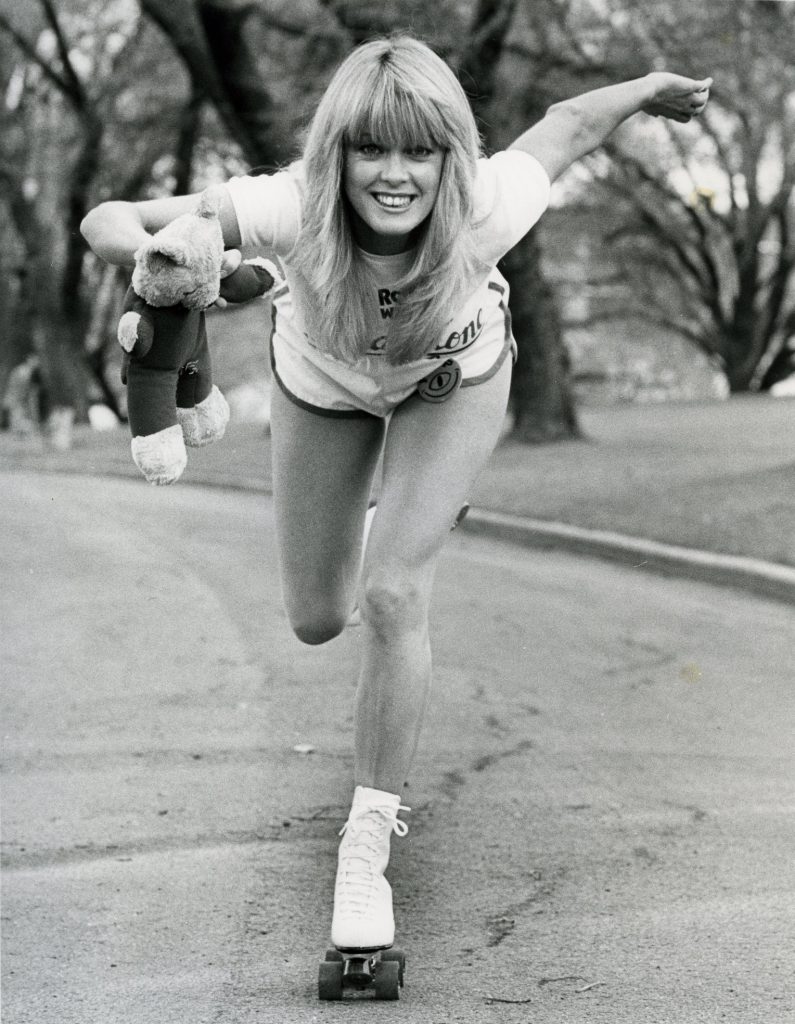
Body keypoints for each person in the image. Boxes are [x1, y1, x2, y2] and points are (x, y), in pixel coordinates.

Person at [81, 36, 710, 958]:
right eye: (371, 149)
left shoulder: (488, 202)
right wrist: (165, 254)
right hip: (323, 384)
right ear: (336, 152)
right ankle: (394, 521)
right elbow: (106, 216)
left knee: (391, 595)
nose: (394, 175)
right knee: (315, 615)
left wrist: (650, 88)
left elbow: (569, 123)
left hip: (450, 380)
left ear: (450, 155)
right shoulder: (289, 204)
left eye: (420, 150)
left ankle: (365, 843)